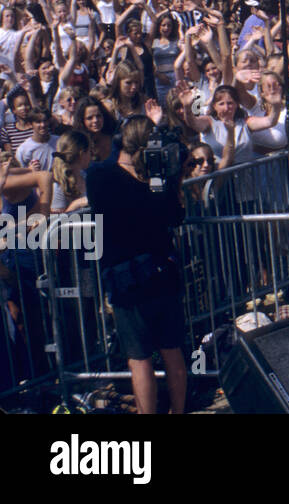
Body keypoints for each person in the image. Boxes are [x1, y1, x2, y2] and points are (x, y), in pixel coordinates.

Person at [85, 115, 187, 414]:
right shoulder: (156, 180)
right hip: (162, 274)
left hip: (127, 281)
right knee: (172, 351)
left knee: (139, 359)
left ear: (120, 141)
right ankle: (179, 411)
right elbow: (175, 217)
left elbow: (102, 179)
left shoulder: (101, 176)